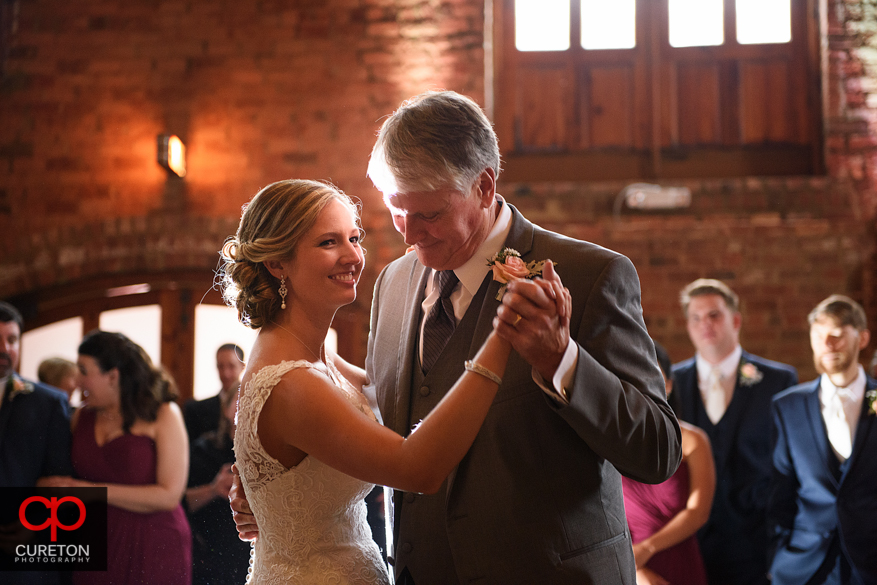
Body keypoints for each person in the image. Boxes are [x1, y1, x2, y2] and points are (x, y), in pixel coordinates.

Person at [232, 91, 681, 584]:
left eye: (430, 214)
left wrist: (564, 362)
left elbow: (657, 451)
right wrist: (273, 486)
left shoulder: (590, 274)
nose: (410, 235)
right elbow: (378, 417)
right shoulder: (394, 283)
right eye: (397, 211)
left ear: (484, 186)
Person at [223, 178, 539, 584]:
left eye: (354, 238)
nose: (352, 256)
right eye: (328, 243)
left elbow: (397, 401)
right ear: (277, 262)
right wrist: (504, 332)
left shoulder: (319, 358)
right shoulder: (291, 383)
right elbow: (417, 468)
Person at [38, 330, 191, 585]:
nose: (77, 381)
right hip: (95, 541)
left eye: (84, 371)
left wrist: (91, 491)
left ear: (112, 376)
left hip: (153, 542)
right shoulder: (80, 418)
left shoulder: (164, 414)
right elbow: (68, 482)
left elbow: (169, 495)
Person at [671, 279, 798, 585]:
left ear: (736, 320)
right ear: (688, 326)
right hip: (689, 543)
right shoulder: (671, 384)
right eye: (696, 317)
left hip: (755, 545)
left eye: (714, 315)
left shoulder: (777, 381)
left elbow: (789, 466)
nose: (705, 324)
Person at [768, 295, 877, 585]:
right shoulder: (788, 406)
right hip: (804, 566)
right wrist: (778, 554)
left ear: (863, 338)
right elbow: (779, 490)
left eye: (837, 335)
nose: (827, 344)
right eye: (818, 335)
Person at [623, 342, 714, 585]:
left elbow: (698, 513)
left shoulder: (693, 440)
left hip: (677, 556)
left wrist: (647, 549)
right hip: (627, 561)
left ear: (670, 385)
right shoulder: (612, 441)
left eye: (655, 378)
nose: (645, 386)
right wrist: (634, 568)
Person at [0, 302, 73, 585]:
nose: (5, 349)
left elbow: (59, 477)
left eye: (12, 339)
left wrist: (35, 525)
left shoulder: (49, 402)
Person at [186, 385, 250, 585]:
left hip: (249, 555)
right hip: (208, 554)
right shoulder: (204, 450)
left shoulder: (267, 457)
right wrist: (214, 489)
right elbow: (180, 503)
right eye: (238, 400)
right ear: (226, 408)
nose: (244, 406)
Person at [184, 343, 245, 442]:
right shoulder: (196, 410)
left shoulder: (252, 406)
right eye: (220, 366)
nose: (226, 374)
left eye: (231, 366)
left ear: (242, 366)